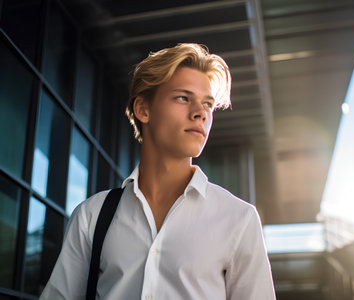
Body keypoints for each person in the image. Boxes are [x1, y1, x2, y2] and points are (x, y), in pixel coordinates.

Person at [40, 43, 276, 300]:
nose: (200, 113)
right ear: (143, 109)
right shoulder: (92, 216)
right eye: (183, 98)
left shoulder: (238, 219)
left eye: (207, 104)